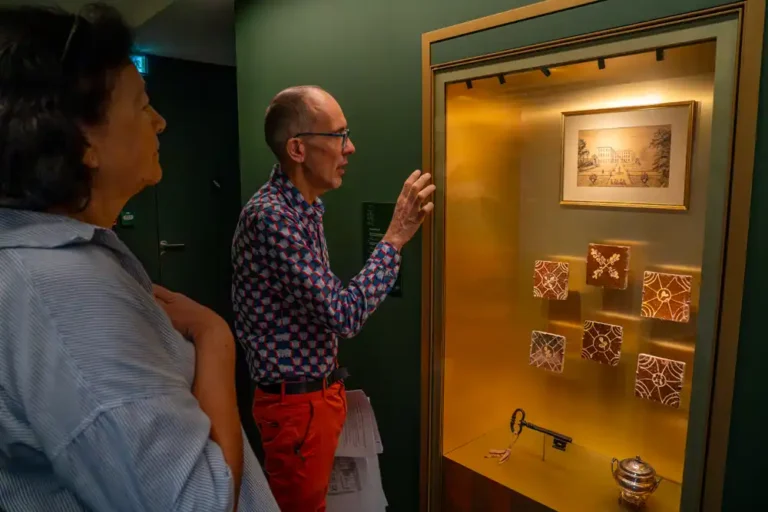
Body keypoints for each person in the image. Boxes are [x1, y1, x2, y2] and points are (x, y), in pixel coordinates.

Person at [0, 4, 278, 511]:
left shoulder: (50, 265)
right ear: (84, 140)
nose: (160, 121)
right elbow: (202, 502)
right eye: (142, 104)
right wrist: (215, 338)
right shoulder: (64, 288)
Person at [231, 85, 436, 511]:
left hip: (311, 401)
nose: (350, 147)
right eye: (339, 135)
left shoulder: (304, 208)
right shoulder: (271, 216)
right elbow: (343, 315)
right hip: (296, 408)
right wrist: (395, 237)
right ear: (298, 149)